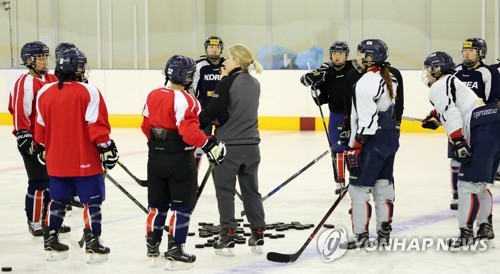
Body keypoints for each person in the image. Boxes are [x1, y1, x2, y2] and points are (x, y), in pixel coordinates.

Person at [141, 55, 226, 270]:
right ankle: (175, 248)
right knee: (182, 206)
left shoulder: (153, 94)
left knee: (157, 205)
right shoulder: (188, 100)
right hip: (180, 160)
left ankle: (152, 246)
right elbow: (189, 133)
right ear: (186, 76)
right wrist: (208, 144)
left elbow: (145, 126)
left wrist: (161, 145)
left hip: (155, 159)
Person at [35, 48, 118, 262]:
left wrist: (43, 148)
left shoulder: (45, 92)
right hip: (85, 161)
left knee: (57, 200)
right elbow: (97, 128)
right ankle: (93, 242)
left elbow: (40, 129)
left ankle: (51, 241)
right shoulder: (88, 92)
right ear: (78, 68)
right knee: (92, 202)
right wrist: (108, 148)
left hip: (56, 161)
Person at [421, 51, 499, 249]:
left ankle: (466, 233)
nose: (427, 74)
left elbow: (451, 111)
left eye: (429, 69)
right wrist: (435, 116)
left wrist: (457, 141)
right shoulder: (453, 81)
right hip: (493, 125)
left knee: (466, 186)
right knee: (480, 185)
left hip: (481, 131)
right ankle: (485, 227)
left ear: (437, 69)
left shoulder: (439, 85)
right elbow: (460, 106)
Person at [199, 44, 266, 256]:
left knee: (225, 192)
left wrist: (192, 122)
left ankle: (227, 235)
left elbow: (212, 111)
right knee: (251, 190)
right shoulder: (255, 83)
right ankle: (258, 231)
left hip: (228, 147)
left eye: (228, 58)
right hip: (252, 147)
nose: (224, 61)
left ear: (237, 61)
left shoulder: (227, 83)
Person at [339, 39, 399, 249]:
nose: (358, 57)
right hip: (389, 138)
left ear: (370, 57)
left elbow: (367, 120)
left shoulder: (366, 81)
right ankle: (384, 232)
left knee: (359, 191)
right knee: (383, 187)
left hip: (371, 142)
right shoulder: (390, 76)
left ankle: (361, 236)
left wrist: (356, 145)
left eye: (360, 53)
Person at [8, 41, 71, 237]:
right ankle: (34, 221)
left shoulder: (53, 78)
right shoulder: (23, 83)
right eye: (40, 58)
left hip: (54, 141)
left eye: (45, 57)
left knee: (56, 183)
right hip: (34, 141)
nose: (44, 62)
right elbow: (19, 110)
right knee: (38, 183)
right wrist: (23, 134)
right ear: (29, 61)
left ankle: (51, 220)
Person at [299, 41, 354, 192]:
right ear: (330, 55)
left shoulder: (354, 68)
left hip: (356, 115)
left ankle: (359, 180)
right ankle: (340, 182)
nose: (337, 56)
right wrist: (314, 87)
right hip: (336, 115)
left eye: (341, 53)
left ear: (346, 55)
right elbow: (321, 100)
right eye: (334, 53)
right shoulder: (326, 73)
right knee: (337, 149)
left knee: (357, 148)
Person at [192, 35, 226, 171]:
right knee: (199, 146)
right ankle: (192, 178)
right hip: (204, 113)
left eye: (217, 47)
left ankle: (220, 177)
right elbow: (192, 89)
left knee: (220, 148)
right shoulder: (199, 65)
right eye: (211, 47)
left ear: (221, 49)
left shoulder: (227, 64)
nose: (214, 50)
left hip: (223, 114)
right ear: (206, 49)